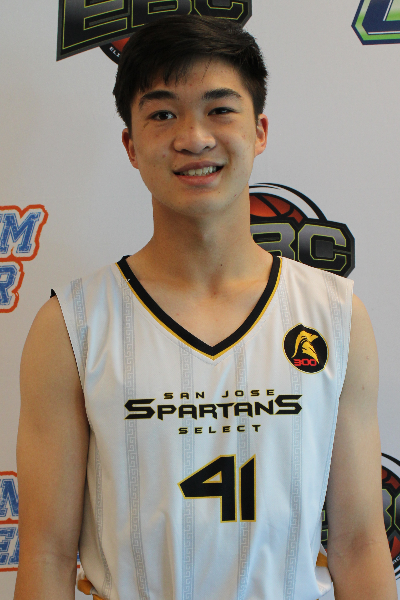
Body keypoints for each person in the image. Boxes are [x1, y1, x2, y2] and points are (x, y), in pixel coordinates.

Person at [14, 15, 396, 600]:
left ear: (259, 130)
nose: (193, 137)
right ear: (130, 145)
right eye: (162, 114)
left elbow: (360, 543)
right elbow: (46, 554)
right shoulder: (71, 324)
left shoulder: (334, 314)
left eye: (219, 109)